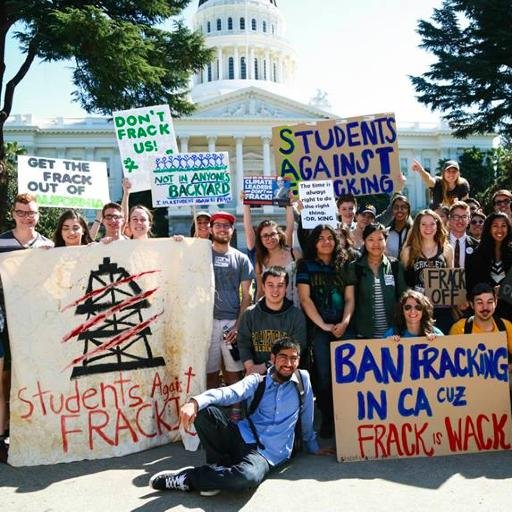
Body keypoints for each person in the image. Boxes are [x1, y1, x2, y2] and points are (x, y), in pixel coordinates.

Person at [149, 338, 332, 496]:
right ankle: (217, 466)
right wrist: (195, 402)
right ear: (273, 358)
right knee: (205, 412)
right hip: (243, 436)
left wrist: (312, 445)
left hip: (267, 453)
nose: (288, 364)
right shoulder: (257, 379)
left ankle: (191, 478)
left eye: (294, 358)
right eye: (283, 357)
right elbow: (230, 392)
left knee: (246, 478)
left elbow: (307, 415)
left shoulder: (303, 380)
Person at [0, 193, 53, 462]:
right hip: (6, 321)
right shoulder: (1, 242)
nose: (26, 217)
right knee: (6, 377)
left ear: (38, 215)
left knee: (35, 373)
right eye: (21, 212)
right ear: (13, 213)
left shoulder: (47, 244)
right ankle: (6, 431)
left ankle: (32, 426)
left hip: (36, 322)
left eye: (31, 212)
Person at [296, 224, 355, 438]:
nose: (326, 241)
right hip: (319, 327)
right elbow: (305, 299)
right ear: (314, 242)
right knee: (322, 376)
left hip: (344, 327)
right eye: (321, 238)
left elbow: (349, 298)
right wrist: (324, 325)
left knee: (347, 375)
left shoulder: (345, 263)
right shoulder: (305, 265)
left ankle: (349, 418)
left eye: (330, 237)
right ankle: (328, 418)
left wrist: (345, 322)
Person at [207, 212, 254, 421]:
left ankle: (236, 408)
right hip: (206, 321)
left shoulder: (241, 258)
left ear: (232, 230)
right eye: (218, 225)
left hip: (230, 322)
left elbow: (248, 295)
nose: (222, 229)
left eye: (227, 226)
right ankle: (212, 409)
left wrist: (238, 324)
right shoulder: (201, 254)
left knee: (233, 369)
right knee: (210, 370)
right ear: (211, 229)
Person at [238, 266, 307, 375]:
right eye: (270, 285)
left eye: (280, 285)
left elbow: (297, 349)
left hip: (285, 372)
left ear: (286, 288)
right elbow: (243, 344)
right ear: (263, 287)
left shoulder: (296, 316)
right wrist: (251, 368)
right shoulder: (250, 314)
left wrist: (266, 365)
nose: (275, 290)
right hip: (255, 372)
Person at [347, 223, 407, 339]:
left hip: (393, 334)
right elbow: (349, 300)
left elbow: (403, 296)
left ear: (386, 240)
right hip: (364, 334)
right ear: (364, 241)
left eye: (380, 239)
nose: (376, 244)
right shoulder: (354, 267)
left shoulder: (395, 266)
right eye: (371, 239)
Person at [401, 209, 454, 332]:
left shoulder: (447, 249)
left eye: (432, 224)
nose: (428, 228)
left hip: (441, 308)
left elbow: (451, 282)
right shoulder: (408, 251)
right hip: (417, 310)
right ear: (417, 227)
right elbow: (404, 282)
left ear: (438, 225)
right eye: (423, 224)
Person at [465, 212, 512, 321]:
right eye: (495, 226)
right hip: (485, 313)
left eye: (503, 226)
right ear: (488, 228)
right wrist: (490, 291)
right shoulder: (476, 255)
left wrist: (504, 289)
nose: (499, 230)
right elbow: (471, 285)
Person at [449, 283, 512, 359]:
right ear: (472, 305)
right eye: (479, 303)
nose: (485, 307)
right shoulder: (459, 329)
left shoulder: (506, 326)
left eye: (489, 302)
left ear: (495, 303)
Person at [254, 220, 297, 306]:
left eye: (273, 234)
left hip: (295, 308)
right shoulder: (260, 262)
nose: (269, 238)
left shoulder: (294, 254)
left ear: (279, 235)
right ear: (260, 239)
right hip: (270, 312)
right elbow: (260, 291)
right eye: (265, 236)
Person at [447, 201, 479, 269]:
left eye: (464, 217)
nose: (460, 221)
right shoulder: (439, 243)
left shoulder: (477, 246)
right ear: (450, 219)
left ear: (469, 220)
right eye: (456, 216)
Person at [386, 194, 412, 259]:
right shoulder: (386, 233)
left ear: (408, 210)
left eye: (403, 207)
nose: (399, 210)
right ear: (392, 210)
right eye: (396, 207)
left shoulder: (414, 231)